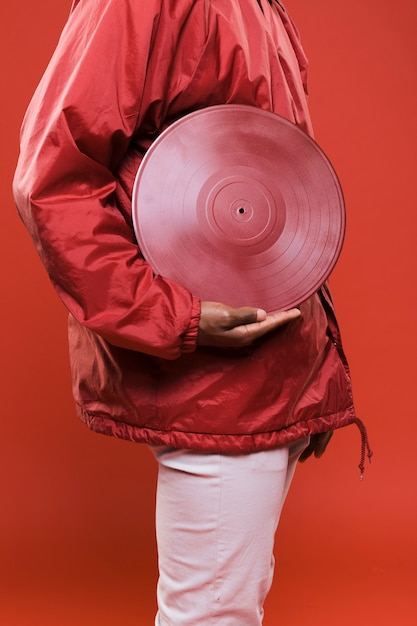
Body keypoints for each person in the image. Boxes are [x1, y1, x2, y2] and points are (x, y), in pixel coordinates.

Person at [13, 1, 371, 624]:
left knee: (229, 604)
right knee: (213, 615)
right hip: (214, 380)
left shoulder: (258, 4)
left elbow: (268, 196)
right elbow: (51, 183)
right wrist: (171, 314)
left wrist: (309, 380)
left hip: (269, 375)